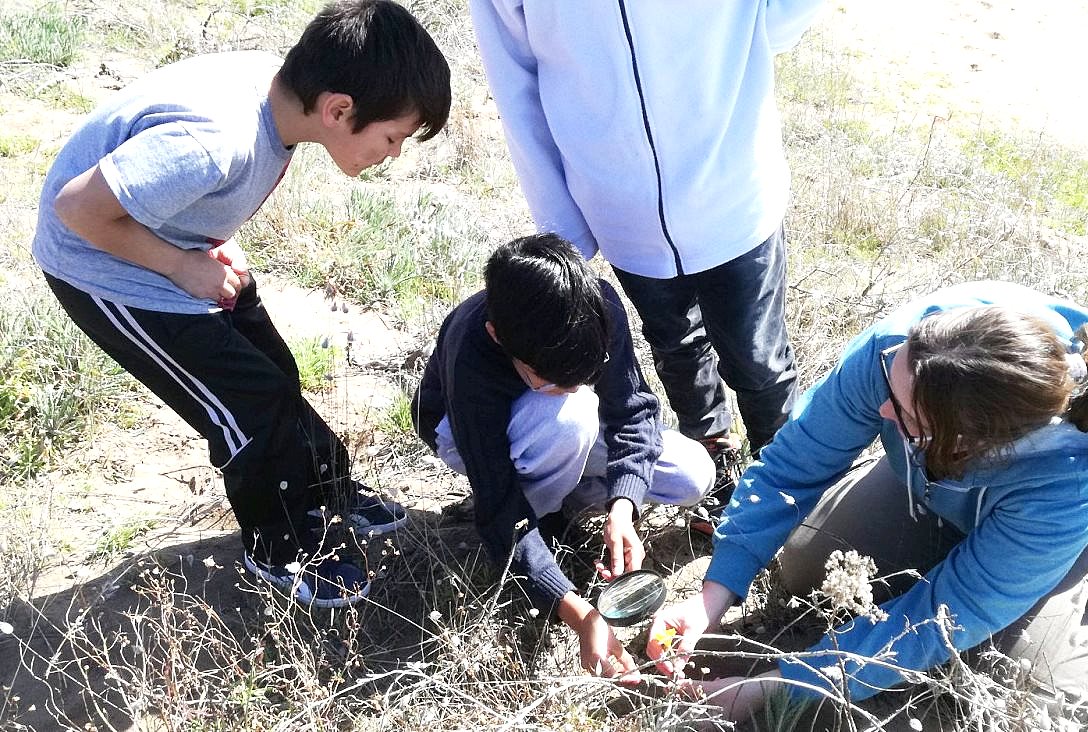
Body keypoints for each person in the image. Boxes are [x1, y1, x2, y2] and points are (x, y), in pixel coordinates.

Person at [32, 0, 452, 608]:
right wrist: (179, 263)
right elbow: (77, 210)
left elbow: (169, 172)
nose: (393, 153)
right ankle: (280, 547)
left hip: (168, 240)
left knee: (277, 375)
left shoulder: (278, 95)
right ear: (339, 109)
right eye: (392, 138)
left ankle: (326, 490)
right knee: (245, 405)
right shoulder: (217, 140)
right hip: (105, 268)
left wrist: (208, 239)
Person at [647, 281, 1088, 725]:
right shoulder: (909, 350)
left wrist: (782, 686)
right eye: (894, 384)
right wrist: (712, 595)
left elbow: (952, 611)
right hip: (945, 469)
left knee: (1035, 699)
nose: (882, 408)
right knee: (808, 562)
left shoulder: (1081, 473)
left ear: (971, 441)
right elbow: (794, 464)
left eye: (905, 413)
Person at [468, 1, 825, 531]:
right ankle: (718, 463)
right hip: (618, 202)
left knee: (758, 361)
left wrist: (741, 45)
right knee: (674, 343)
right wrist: (563, 228)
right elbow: (514, 75)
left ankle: (786, 498)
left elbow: (777, 18)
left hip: (731, 180)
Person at [412, 233, 714, 678]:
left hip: (557, 432)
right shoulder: (471, 350)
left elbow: (633, 412)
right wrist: (578, 613)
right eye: (547, 378)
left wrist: (623, 507)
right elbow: (497, 500)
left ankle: (563, 500)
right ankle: (545, 525)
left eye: (581, 375)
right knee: (569, 418)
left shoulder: (596, 306)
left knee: (694, 475)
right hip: (460, 431)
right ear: (498, 337)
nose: (568, 385)